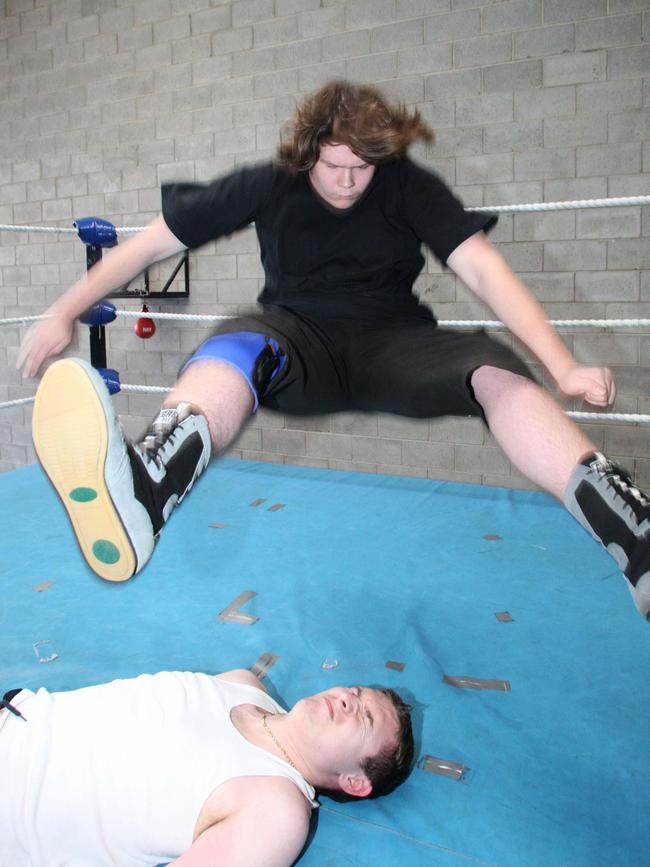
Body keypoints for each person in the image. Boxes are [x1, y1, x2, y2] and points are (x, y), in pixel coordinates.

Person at [17, 80, 649, 620]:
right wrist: (62, 311)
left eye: (362, 169)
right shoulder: (268, 183)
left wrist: (562, 364)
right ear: (306, 153)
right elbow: (150, 246)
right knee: (236, 342)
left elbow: (483, 270)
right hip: (296, 336)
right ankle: (149, 493)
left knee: (493, 369)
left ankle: (635, 538)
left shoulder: (408, 187)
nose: (347, 184)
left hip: (394, 342)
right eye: (332, 166)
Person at [0, 667, 413, 866]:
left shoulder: (275, 808)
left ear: (355, 782)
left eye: (364, 717)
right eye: (356, 692)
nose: (346, 698)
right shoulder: (244, 684)